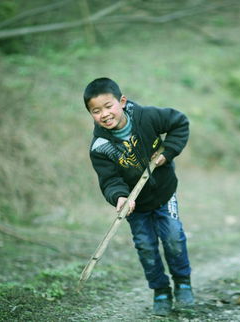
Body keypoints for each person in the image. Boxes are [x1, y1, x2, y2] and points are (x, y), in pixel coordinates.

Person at [83, 77, 194, 316]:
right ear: (91, 114)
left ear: (121, 102)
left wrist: (169, 152)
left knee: (173, 236)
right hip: (136, 205)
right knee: (145, 246)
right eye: (96, 111)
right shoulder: (100, 146)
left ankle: (183, 283)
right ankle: (160, 291)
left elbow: (180, 123)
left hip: (164, 193)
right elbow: (110, 180)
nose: (104, 114)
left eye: (108, 106)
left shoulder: (147, 117)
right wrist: (120, 197)